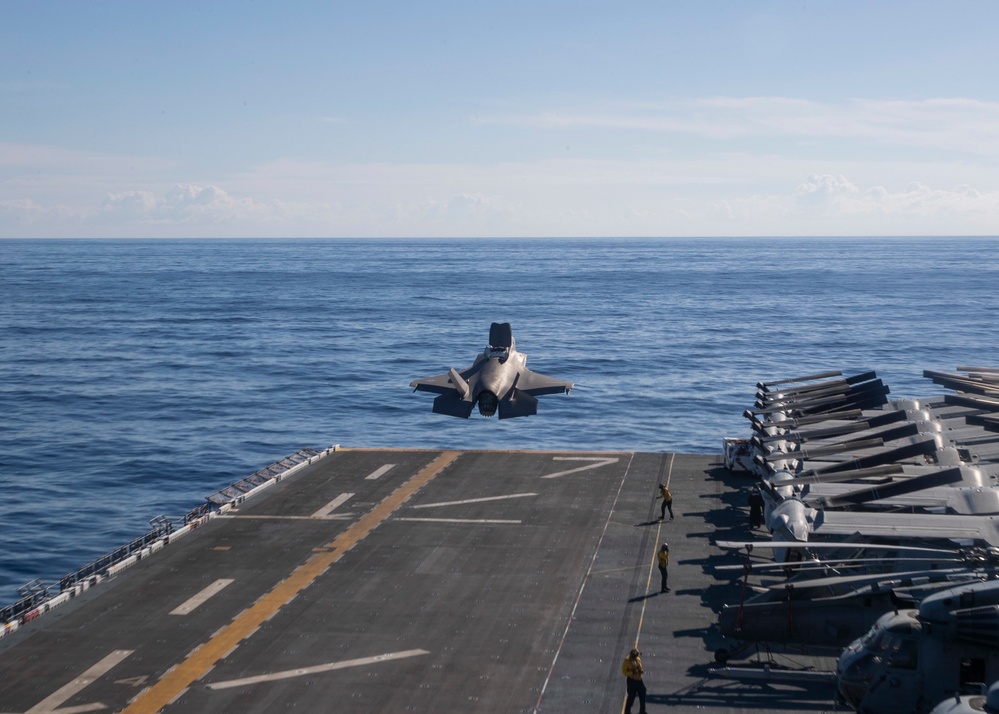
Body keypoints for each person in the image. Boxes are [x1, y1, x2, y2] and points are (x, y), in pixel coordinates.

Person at [621, 648, 648, 714]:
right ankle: (627, 711)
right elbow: (624, 671)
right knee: (631, 697)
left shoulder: (638, 658)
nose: (638, 656)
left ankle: (642, 711)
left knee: (642, 693)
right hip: (632, 681)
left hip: (639, 680)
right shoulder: (627, 661)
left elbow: (639, 665)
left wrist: (641, 670)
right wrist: (632, 673)